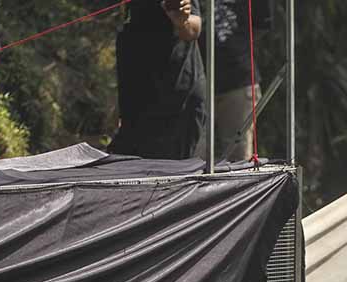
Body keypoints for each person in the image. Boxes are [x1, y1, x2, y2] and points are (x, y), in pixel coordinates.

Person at [110, 0, 206, 160]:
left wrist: (182, 20)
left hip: (176, 101)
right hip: (138, 101)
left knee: (174, 176)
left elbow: (193, 28)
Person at [197, 0, 272, 163]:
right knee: (193, 156)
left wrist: (236, 47)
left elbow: (261, 25)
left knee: (239, 159)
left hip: (238, 79)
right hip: (196, 80)